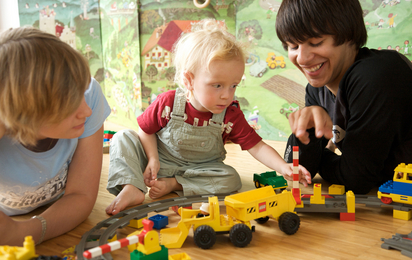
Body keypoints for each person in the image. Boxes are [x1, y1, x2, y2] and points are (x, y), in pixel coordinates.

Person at [105, 19, 310, 215]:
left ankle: (174, 184)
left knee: (231, 179)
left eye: (233, 86)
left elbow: (256, 146)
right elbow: (146, 130)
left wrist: (283, 166)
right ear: (189, 80)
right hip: (159, 163)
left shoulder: (230, 113)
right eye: (217, 85)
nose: (226, 95)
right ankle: (132, 186)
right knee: (123, 138)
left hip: (201, 171)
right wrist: (152, 159)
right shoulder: (167, 102)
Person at [276, 0, 412, 194]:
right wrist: (307, 127)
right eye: (293, 46)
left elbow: (357, 178)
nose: (302, 59)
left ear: (348, 35)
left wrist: (322, 159)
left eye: (315, 42)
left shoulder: (376, 75)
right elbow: (299, 169)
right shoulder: (317, 89)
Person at [0, 27, 111, 246]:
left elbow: (81, 196)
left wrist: (23, 233)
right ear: (27, 112)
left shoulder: (90, 94)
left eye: (80, 91)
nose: (86, 111)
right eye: (69, 104)